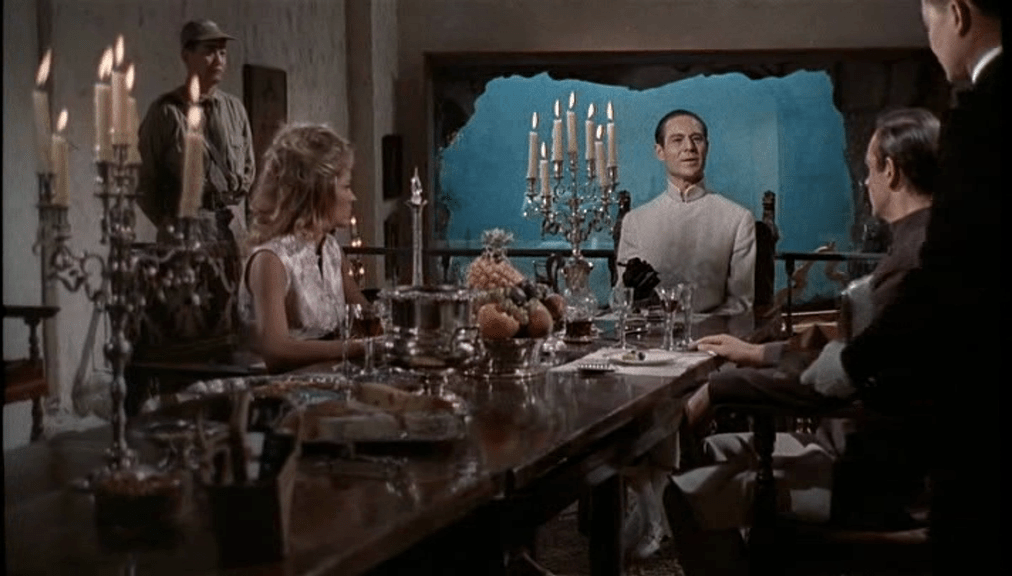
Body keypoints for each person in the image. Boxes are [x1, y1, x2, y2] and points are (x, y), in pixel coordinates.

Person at [664, 108, 941, 574]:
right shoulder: (926, 242)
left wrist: (718, 388)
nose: (866, 183)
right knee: (712, 451)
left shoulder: (914, 262)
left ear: (891, 172)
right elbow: (861, 355)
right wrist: (759, 353)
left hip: (874, 477)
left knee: (685, 492)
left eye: (869, 170)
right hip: (870, 448)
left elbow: (840, 381)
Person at [799, 1, 1002, 571]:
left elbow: (949, 278)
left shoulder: (986, 111)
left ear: (957, 13)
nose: (931, 38)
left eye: (927, 20)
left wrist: (850, 363)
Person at [136, 19, 256, 343]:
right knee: (189, 323)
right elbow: (143, 183)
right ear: (186, 55)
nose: (219, 60)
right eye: (209, 51)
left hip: (230, 230)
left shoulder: (235, 110)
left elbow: (248, 169)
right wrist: (171, 224)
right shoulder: (165, 113)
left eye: (223, 53)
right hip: (186, 233)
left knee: (234, 320)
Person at [238, 123, 370, 374]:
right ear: (318, 191)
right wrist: (356, 348)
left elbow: (365, 317)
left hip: (325, 378)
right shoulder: (271, 260)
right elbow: (276, 351)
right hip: (273, 389)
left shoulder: (331, 250)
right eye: (346, 186)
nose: (352, 197)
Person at [617, 109, 756, 315]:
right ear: (660, 151)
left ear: (707, 147)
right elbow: (622, 298)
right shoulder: (635, 221)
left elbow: (740, 303)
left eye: (696, 139)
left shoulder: (738, 219)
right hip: (650, 331)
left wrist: (698, 328)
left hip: (712, 332)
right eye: (677, 140)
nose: (689, 147)